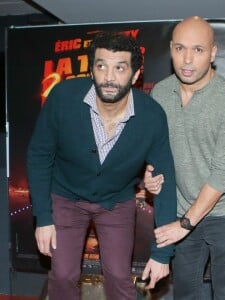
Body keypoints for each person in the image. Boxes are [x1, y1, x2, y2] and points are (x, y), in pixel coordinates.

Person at [27, 31, 177, 300]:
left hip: (116, 201)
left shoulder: (152, 117)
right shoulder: (63, 98)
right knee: (62, 275)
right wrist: (43, 217)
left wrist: (162, 253)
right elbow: (39, 155)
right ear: (92, 70)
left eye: (119, 68)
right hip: (65, 197)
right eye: (101, 66)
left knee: (120, 276)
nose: (109, 77)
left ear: (134, 75)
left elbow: (165, 182)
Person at [143, 16, 225, 300]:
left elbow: (222, 174)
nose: (187, 59)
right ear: (170, 49)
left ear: (213, 53)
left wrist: (185, 225)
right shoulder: (160, 93)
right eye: (180, 49)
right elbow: (157, 149)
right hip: (182, 208)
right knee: (185, 294)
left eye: (198, 50)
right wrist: (150, 174)